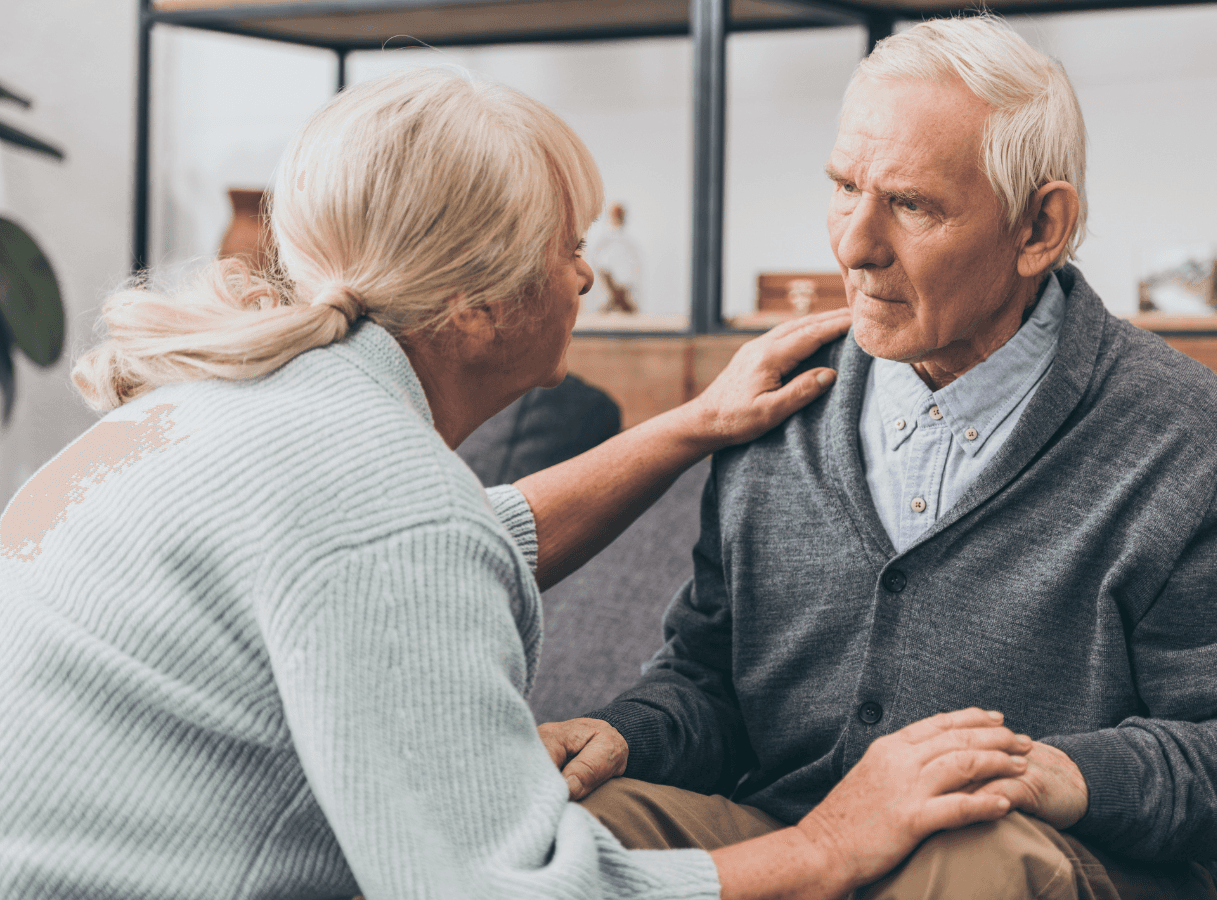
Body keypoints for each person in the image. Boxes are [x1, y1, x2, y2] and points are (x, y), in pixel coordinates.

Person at [0, 68, 1036, 900]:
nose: (585, 280)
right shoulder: (381, 506)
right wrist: (827, 846)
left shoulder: (255, 409)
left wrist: (688, 426)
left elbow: (453, 542)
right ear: (477, 307)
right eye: (567, 249)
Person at [541, 16, 1217, 900]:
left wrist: (1053, 773)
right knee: (559, 831)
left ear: (1039, 227)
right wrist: (629, 734)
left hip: (1033, 855)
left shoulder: (1180, 434)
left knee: (970, 855)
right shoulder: (781, 397)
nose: (852, 245)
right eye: (844, 187)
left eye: (911, 205)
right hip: (795, 836)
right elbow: (710, 680)